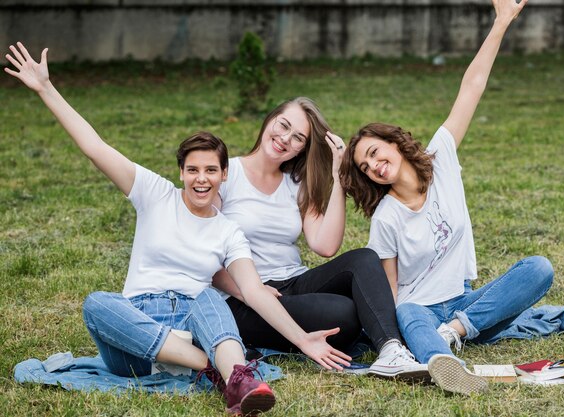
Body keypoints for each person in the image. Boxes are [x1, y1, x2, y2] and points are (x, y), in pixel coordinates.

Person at [4, 42, 352, 416]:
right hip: (136, 339)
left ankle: (236, 376)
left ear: (224, 176)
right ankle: (216, 369)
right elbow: (95, 147)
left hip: (193, 319)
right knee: (97, 304)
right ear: (181, 172)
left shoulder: (228, 231)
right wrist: (46, 89)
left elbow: (255, 291)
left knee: (209, 299)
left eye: (211, 171)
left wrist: (304, 341)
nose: (201, 179)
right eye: (193, 170)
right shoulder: (154, 195)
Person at [340, 0, 553, 395]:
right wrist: (394, 332)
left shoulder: (442, 159)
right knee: (407, 312)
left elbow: (472, 86)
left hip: (466, 304)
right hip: (417, 308)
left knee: (538, 268)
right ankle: (450, 366)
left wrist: (501, 22)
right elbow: (388, 289)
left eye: (374, 153)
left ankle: (454, 334)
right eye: (365, 168)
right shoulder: (386, 217)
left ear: (394, 143)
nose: (373, 166)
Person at [211, 99, 426, 379]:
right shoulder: (226, 174)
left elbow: (325, 246)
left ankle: (391, 350)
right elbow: (206, 256)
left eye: (298, 137)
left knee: (364, 259)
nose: (285, 139)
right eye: (284, 125)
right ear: (270, 119)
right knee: (345, 314)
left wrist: (338, 176)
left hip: (293, 282)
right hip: (244, 298)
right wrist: (251, 292)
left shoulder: (296, 184)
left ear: (303, 147)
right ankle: (380, 335)